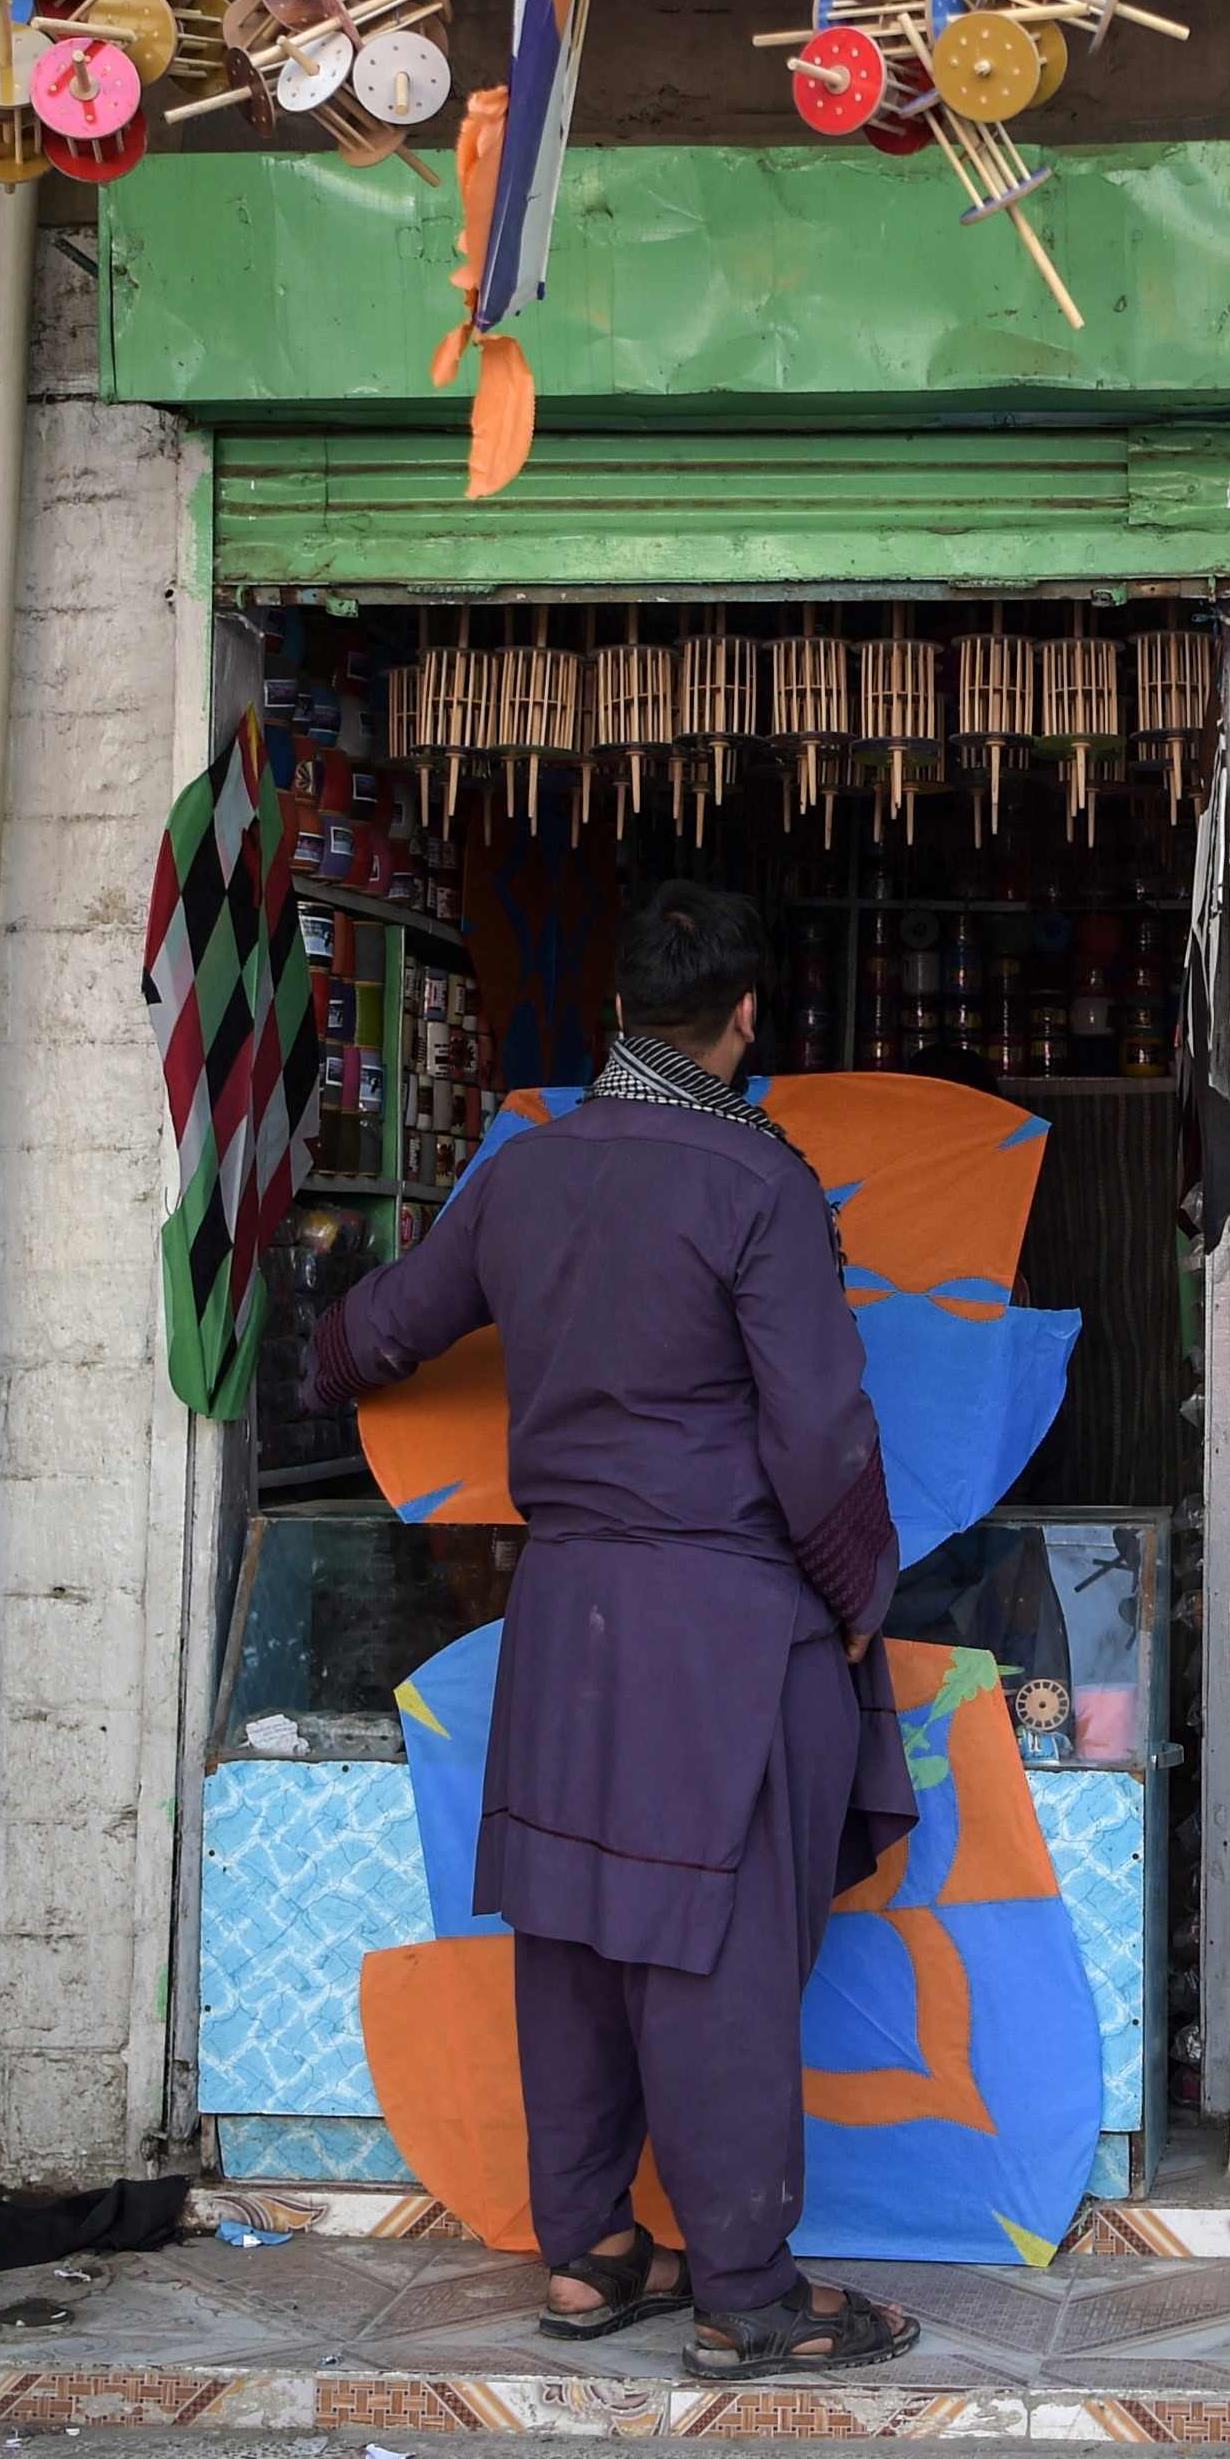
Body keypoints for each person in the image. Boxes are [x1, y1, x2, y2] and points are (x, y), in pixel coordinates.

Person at [304, 881, 921, 2381]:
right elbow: (819, 1426)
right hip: (721, 1618)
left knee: (573, 1937)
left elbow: (372, 1335)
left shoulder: (524, 1173)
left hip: (562, 1615)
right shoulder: (756, 1177)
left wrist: (312, 1340)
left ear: (620, 1013)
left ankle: (587, 2257)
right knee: (708, 1946)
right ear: (746, 1019)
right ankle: (747, 2296)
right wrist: (859, 1595)